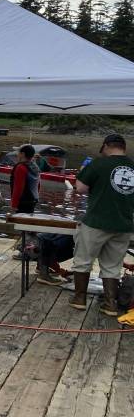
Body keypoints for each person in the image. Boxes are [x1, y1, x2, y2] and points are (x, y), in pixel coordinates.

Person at [69, 133, 134, 316]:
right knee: (113, 266)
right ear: (124, 148)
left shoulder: (98, 163)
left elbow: (80, 187)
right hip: (124, 224)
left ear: (106, 146)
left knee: (83, 261)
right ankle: (110, 304)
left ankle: (79, 299)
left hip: (96, 222)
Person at [10, 144, 40, 214]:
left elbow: (18, 188)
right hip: (33, 201)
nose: (17, 154)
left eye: (18, 152)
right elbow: (38, 185)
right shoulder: (35, 166)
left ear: (23, 154)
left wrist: (14, 206)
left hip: (22, 203)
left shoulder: (20, 167)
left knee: (19, 222)